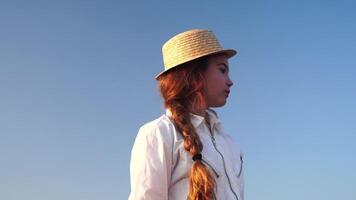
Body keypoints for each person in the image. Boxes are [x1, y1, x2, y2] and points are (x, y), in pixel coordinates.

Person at [129, 29, 244, 200]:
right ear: (195, 75)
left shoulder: (229, 143)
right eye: (222, 70)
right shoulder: (158, 135)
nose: (230, 81)